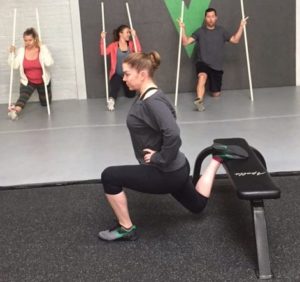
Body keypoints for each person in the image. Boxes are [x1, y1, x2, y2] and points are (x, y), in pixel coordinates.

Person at [98, 51, 248, 241]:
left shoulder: (152, 102)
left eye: (127, 74)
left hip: (165, 173)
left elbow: (173, 134)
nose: (124, 78)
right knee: (197, 206)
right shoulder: (152, 95)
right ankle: (217, 159)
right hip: (177, 168)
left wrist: (158, 158)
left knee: (109, 176)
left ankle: (125, 228)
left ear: (142, 74)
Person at [178, 8, 248, 111]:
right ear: (205, 18)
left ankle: (212, 90)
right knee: (202, 76)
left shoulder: (222, 31)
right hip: (203, 62)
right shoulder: (200, 31)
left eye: (212, 16)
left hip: (216, 67)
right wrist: (182, 29)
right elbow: (186, 42)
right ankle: (199, 101)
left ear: (216, 18)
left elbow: (235, 40)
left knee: (216, 94)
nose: (210, 19)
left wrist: (241, 27)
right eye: (208, 17)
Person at [7, 27, 54, 120]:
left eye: (30, 40)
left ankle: (44, 98)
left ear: (35, 39)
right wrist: (11, 53)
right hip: (28, 81)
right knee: (22, 99)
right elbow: (14, 66)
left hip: (42, 81)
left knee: (45, 103)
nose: (27, 43)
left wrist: (43, 47)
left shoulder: (41, 50)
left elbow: (49, 63)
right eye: (25, 40)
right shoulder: (21, 51)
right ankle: (14, 111)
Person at [100, 24, 142, 111]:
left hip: (128, 75)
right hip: (117, 73)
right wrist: (102, 39)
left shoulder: (131, 44)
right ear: (120, 34)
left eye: (129, 33)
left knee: (131, 95)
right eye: (127, 32)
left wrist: (135, 37)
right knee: (115, 85)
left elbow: (138, 50)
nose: (129, 34)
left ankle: (126, 85)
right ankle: (111, 101)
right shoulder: (114, 45)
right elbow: (103, 52)